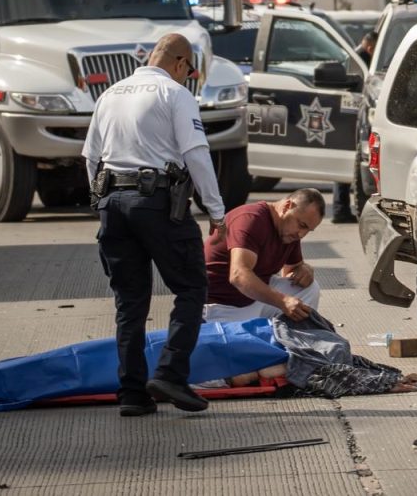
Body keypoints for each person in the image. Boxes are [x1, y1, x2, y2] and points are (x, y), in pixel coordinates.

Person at [82, 32, 227, 418]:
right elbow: (196, 154)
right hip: (158, 204)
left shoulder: (110, 94)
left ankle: (132, 393)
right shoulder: (175, 95)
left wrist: (103, 203)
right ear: (180, 63)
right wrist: (216, 211)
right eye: (188, 70)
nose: (187, 77)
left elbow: (91, 158)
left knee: (129, 303)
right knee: (192, 287)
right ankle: (171, 374)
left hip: (113, 205)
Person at [203, 189, 325, 324]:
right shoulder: (251, 219)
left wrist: (304, 269)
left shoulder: (289, 231)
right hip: (221, 306)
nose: (301, 234)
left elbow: (291, 272)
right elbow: (238, 275)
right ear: (287, 206)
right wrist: (282, 301)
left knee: (308, 287)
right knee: (249, 344)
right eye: (302, 225)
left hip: (255, 300)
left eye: (308, 230)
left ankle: (295, 337)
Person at [331, 31, 377, 223]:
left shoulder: (354, 58)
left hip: (349, 115)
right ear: (371, 48)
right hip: (350, 116)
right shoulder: (358, 61)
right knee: (345, 162)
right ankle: (340, 208)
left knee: (344, 161)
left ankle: (340, 208)